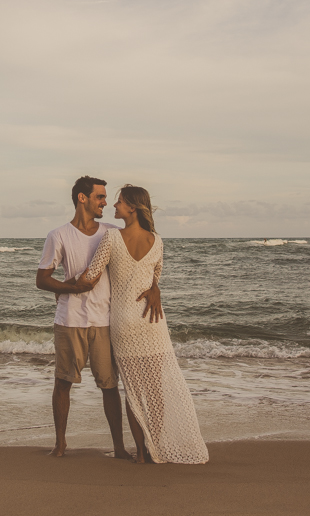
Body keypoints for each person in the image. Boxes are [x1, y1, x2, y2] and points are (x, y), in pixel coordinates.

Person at [76, 185, 208, 464]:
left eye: (119, 202)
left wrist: (63, 287)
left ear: (132, 208)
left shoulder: (112, 237)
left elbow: (91, 276)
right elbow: (154, 279)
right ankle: (155, 445)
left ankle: (141, 452)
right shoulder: (156, 241)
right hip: (152, 321)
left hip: (124, 323)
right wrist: (155, 289)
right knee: (156, 390)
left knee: (133, 392)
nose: (114, 206)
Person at [35, 176, 162, 458]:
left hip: (105, 321)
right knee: (63, 382)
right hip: (69, 320)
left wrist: (156, 288)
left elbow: (140, 266)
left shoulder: (112, 232)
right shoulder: (58, 235)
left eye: (107, 198)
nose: (105, 202)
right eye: (100, 197)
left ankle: (119, 447)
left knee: (110, 385)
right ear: (82, 198)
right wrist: (71, 288)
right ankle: (60, 444)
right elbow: (42, 279)